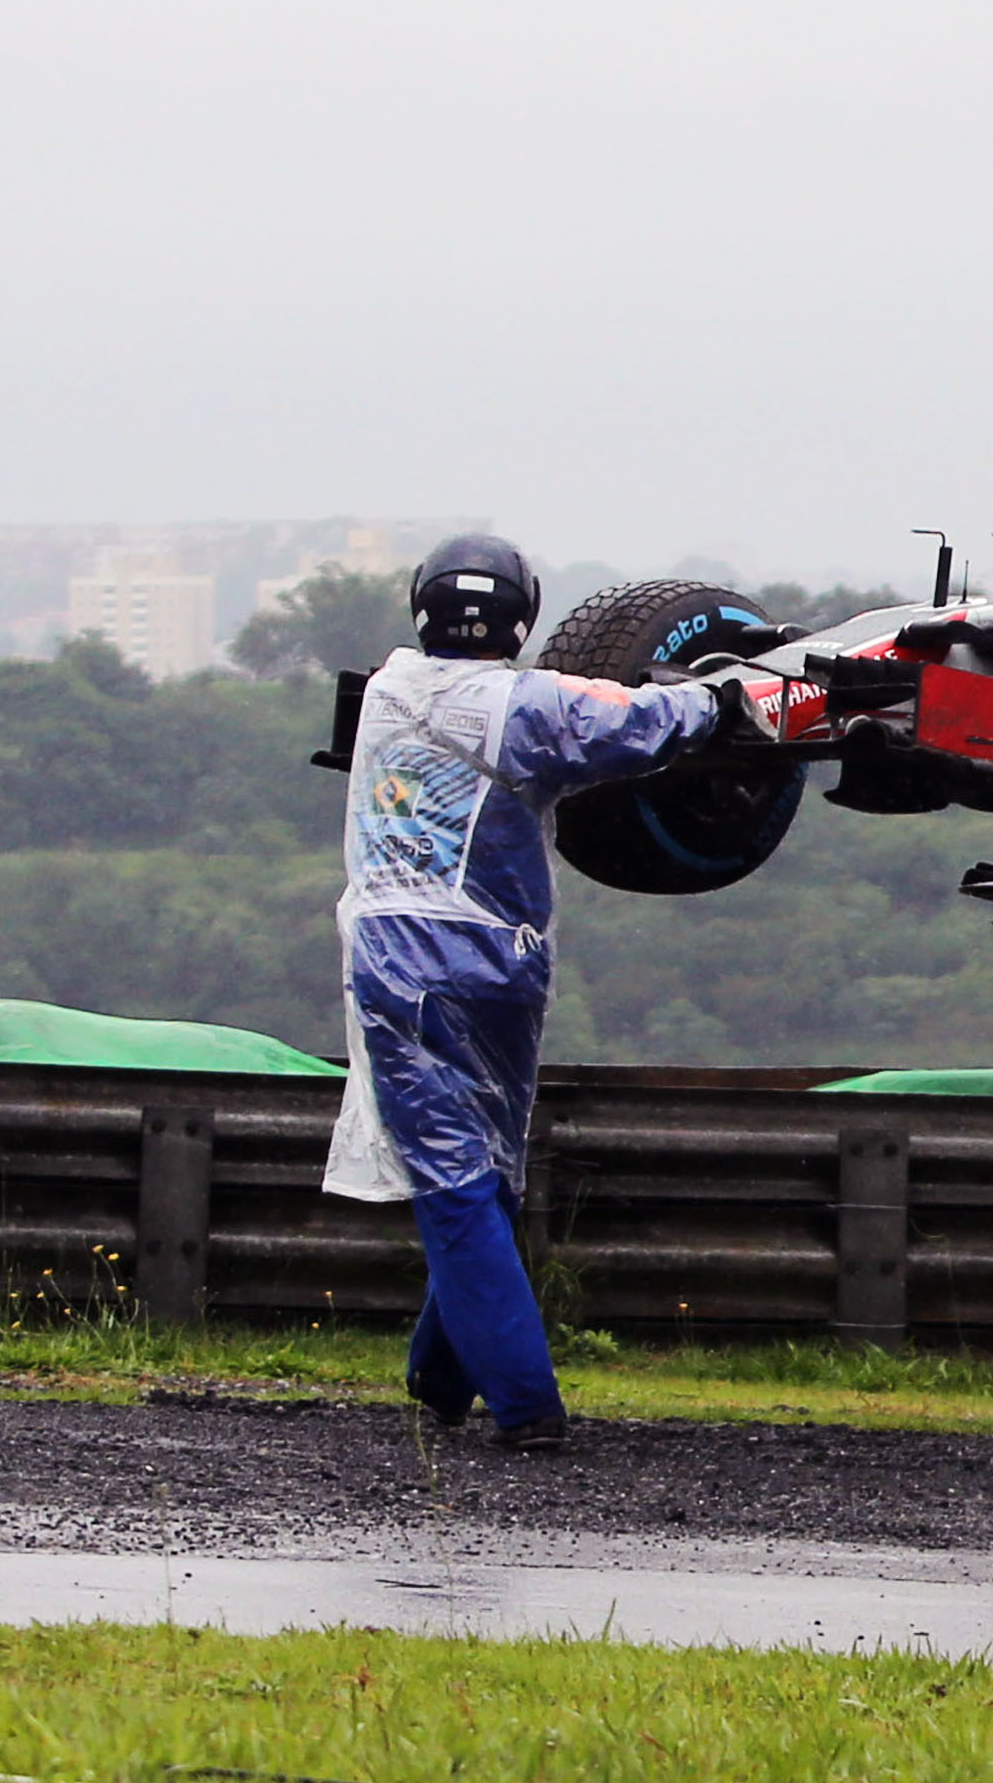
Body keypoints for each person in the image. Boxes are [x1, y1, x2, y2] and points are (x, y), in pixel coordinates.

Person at [318, 536, 780, 1447]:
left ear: (422, 610)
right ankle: (440, 1382)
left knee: (452, 1185)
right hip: (501, 967)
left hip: (400, 968)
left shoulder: (387, 691)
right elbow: (637, 726)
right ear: (523, 618)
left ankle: (527, 1408)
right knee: (483, 1176)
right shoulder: (523, 705)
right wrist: (730, 693)